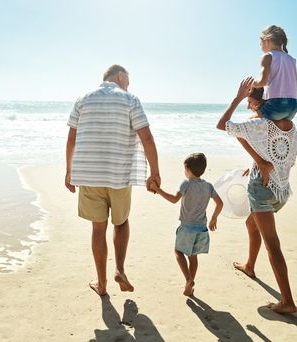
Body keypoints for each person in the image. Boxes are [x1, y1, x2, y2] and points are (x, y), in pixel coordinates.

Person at [65, 64, 160, 296]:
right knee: (121, 222)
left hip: (89, 176)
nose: (129, 84)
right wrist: (154, 172)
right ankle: (119, 269)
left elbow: (71, 140)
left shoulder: (82, 99)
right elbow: (146, 137)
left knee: (98, 229)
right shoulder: (130, 99)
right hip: (119, 176)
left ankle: (102, 283)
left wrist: (69, 171)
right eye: (128, 79)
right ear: (120, 76)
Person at [217, 77, 297, 314]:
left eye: (249, 99)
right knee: (252, 224)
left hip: (261, 189)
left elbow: (223, 125)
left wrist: (236, 98)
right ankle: (250, 266)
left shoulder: (257, 123)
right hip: (281, 191)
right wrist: (259, 161)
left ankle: (288, 302)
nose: (247, 103)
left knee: (273, 244)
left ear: (255, 100)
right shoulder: (289, 126)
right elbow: (283, 156)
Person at [150, 153, 223, 296]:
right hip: (202, 228)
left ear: (188, 169)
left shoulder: (186, 184)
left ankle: (188, 279)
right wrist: (214, 218)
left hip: (186, 227)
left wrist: (157, 189)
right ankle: (189, 285)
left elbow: (174, 199)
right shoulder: (208, 186)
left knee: (178, 252)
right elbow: (220, 203)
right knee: (193, 257)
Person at [251, 25, 297, 121]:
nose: (260, 46)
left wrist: (252, 84)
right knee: (276, 129)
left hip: (276, 105)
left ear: (266, 40)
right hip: (293, 107)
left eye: (260, 43)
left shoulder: (268, 56)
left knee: (248, 123)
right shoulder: (292, 59)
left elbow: (262, 82)